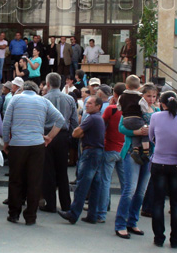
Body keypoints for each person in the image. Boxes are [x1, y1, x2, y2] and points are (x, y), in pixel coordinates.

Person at [3, 81, 65, 225]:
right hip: (37, 145)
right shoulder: (43, 101)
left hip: (18, 144)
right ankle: (31, 216)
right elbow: (60, 119)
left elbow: (7, 123)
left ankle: (14, 214)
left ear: (23, 88)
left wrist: (6, 142)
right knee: (34, 181)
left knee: (15, 180)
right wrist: (49, 136)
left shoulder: (15, 99)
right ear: (37, 90)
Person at [149, 92, 177, 248]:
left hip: (159, 162)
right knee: (176, 203)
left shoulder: (156, 117)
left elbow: (151, 137)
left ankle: (159, 237)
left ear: (162, 103)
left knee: (158, 202)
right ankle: (176, 239)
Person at [58, 95, 105, 224]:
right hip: (97, 152)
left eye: (90, 103)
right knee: (95, 185)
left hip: (90, 152)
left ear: (98, 106)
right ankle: (92, 215)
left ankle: (73, 214)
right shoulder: (97, 118)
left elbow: (76, 133)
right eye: (87, 103)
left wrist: (80, 132)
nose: (87, 105)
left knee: (82, 184)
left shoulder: (91, 119)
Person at [41, 73, 78, 213]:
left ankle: (50, 204)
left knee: (48, 170)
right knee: (63, 171)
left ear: (48, 84)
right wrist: (71, 137)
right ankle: (66, 204)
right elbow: (74, 121)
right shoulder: (69, 99)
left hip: (47, 135)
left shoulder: (43, 99)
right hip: (63, 136)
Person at [114, 110, 152, 239]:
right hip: (131, 153)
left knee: (141, 190)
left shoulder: (157, 111)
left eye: (153, 96)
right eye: (148, 96)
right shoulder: (132, 109)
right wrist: (137, 132)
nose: (151, 99)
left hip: (149, 154)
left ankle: (132, 221)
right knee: (130, 189)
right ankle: (120, 224)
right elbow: (121, 128)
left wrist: (150, 131)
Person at [97, 82, 126, 223]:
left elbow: (101, 126)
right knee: (126, 185)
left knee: (105, 181)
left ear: (115, 95)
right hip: (124, 150)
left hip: (110, 148)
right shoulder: (131, 110)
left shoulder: (111, 109)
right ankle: (125, 214)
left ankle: (101, 213)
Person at [117, 75, 150, 164]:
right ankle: (146, 151)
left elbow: (119, 107)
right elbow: (144, 108)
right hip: (136, 119)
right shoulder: (139, 97)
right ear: (139, 87)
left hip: (126, 119)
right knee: (145, 131)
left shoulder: (122, 96)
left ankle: (135, 150)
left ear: (126, 86)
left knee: (135, 133)